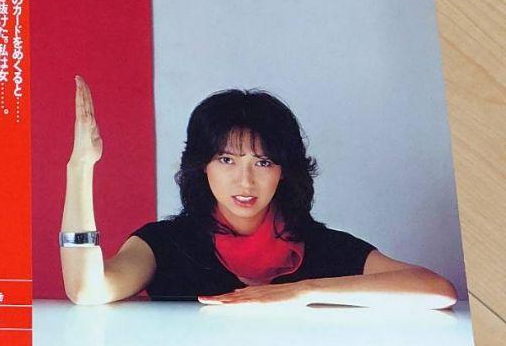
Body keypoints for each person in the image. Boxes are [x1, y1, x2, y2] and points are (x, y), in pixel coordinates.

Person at [60, 78, 458, 308]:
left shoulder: (321, 247)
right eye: (227, 160)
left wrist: (303, 292)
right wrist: (80, 167)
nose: (245, 181)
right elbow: (86, 290)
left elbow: (436, 290)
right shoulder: (164, 244)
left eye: (263, 162)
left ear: (284, 172)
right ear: (202, 166)